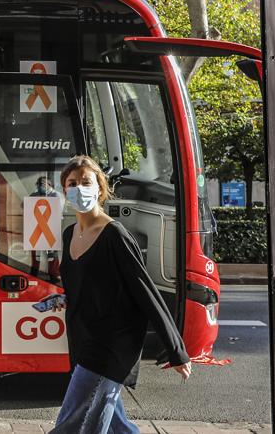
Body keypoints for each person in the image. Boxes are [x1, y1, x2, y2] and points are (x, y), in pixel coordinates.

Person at [49, 155, 192, 434]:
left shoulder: (115, 235)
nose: (79, 188)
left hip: (110, 346)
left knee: (72, 426)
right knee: (119, 428)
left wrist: (176, 350)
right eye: (72, 183)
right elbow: (81, 286)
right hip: (84, 342)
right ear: (65, 190)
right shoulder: (69, 234)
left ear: (100, 188)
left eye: (86, 182)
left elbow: (146, 292)